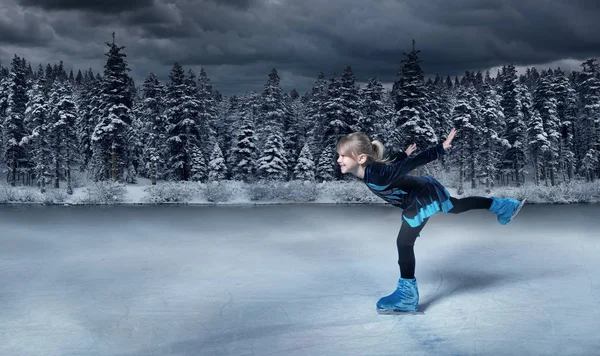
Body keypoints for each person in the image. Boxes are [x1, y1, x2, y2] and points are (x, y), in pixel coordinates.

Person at [336, 128, 526, 313]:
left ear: (361, 158)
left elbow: (405, 166)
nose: (339, 160)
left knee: (404, 242)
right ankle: (504, 206)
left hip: (419, 197)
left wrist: (440, 148)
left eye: (343, 156)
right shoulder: (371, 170)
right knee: (456, 207)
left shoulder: (376, 173)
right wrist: (402, 154)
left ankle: (407, 296)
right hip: (420, 193)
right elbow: (391, 165)